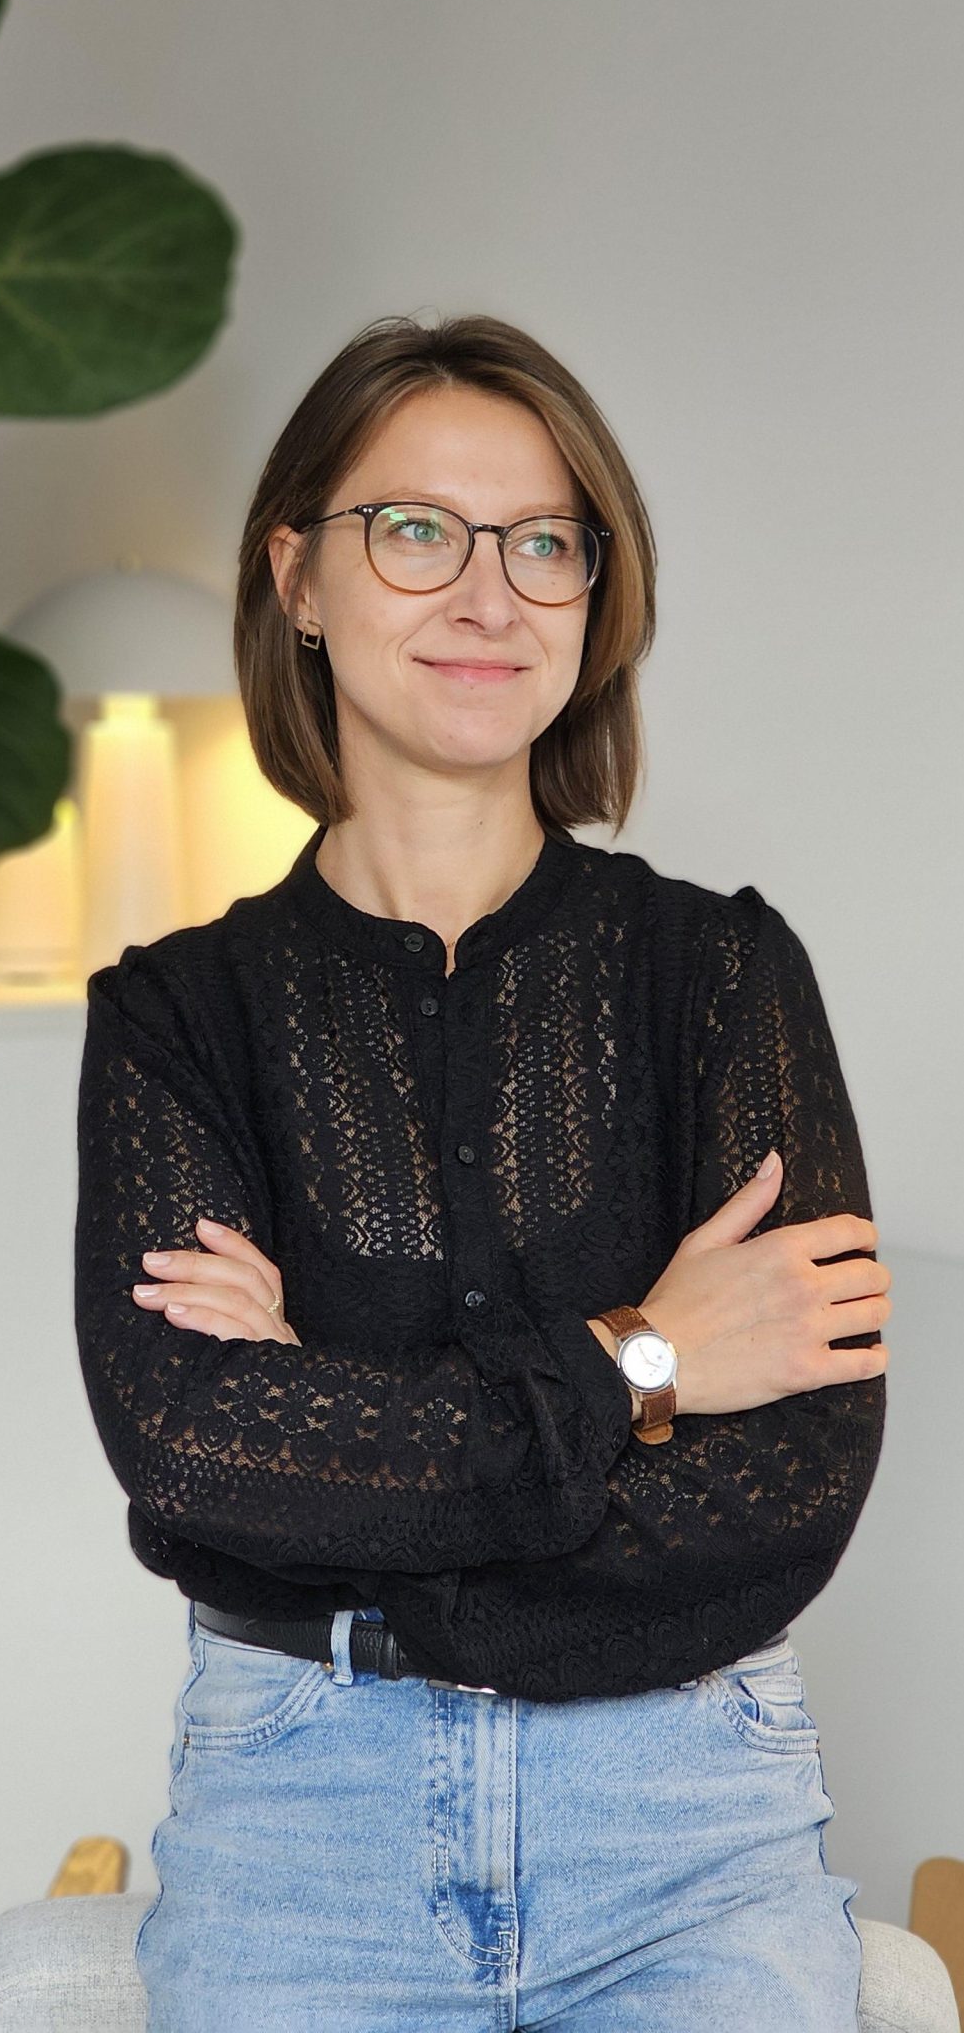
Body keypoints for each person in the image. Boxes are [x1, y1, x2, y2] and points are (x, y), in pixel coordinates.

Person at [73, 312, 889, 2031]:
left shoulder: (720, 977)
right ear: (296, 577)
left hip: (683, 1816)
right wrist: (644, 1360)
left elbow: (786, 1485)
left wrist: (331, 1426)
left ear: (595, 596)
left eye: (543, 544)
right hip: (301, 1816)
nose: (488, 595)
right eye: (416, 531)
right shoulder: (176, 1016)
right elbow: (195, 1450)